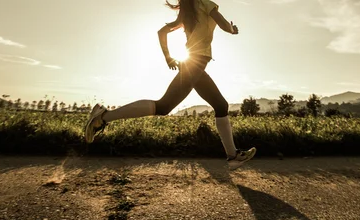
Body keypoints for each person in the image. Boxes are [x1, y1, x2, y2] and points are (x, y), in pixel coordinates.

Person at [84, 0, 256, 170]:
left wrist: (168, 57)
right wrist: (233, 29)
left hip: (194, 63)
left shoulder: (189, 9)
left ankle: (233, 156)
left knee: (220, 105)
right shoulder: (205, 3)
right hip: (195, 64)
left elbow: (162, 32)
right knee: (164, 106)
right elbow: (224, 24)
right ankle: (103, 116)